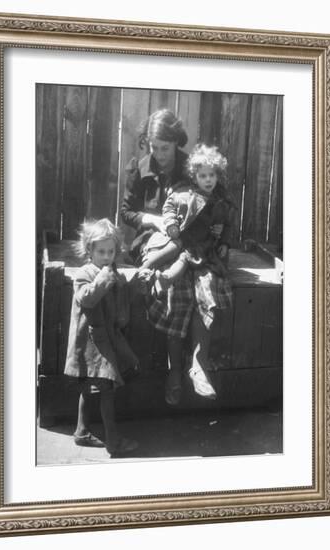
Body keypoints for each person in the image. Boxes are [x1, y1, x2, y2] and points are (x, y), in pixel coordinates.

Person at [120, 109, 197, 405]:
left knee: (180, 277)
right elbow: (126, 212)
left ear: (176, 142)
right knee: (171, 280)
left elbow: (211, 200)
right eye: (153, 147)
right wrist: (152, 220)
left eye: (165, 148)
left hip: (185, 240)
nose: (159, 154)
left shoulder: (191, 168)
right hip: (151, 239)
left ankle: (177, 369)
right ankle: (173, 369)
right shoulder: (138, 168)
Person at [64, 218, 139, 457]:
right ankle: (113, 441)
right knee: (106, 387)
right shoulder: (84, 274)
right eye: (101, 252)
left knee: (91, 387)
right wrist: (104, 279)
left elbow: (119, 307)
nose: (107, 257)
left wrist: (134, 285)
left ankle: (82, 431)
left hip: (106, 338)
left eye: (111, 251)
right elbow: (86, 298)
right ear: (89, 251)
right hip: (91, 342)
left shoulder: (114, 273)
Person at [141, 144, 233, 306]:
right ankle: (145, 267)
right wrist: (171, 223)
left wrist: (224, 240)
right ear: (195, 177)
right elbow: (169, 207)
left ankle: (166, 279)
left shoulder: (221, 200)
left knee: (183, 260)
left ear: (217, 176)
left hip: (202, 245)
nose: (208, 179)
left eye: (211, 175)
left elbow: (227, 223)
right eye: (202, 176)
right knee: (172, 247)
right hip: (182, 236)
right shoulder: (185, 194)